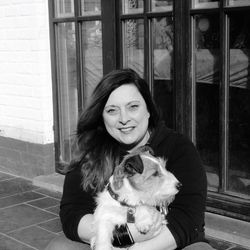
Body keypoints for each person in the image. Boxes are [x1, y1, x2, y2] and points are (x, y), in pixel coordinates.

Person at [46, 68, 215, 250]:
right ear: (102, 117)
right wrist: (123, 236)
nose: (124, 119)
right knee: (58, 247)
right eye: (112, 111)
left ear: (148, 110)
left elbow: (188, 220)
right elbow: (73, 213)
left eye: (133, 107)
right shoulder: (91, 151)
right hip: (110, 241)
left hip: (166, 243)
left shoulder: (179, 148)